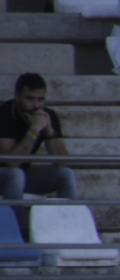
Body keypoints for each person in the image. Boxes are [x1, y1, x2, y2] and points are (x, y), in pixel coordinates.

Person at [0, 73, 79, 236]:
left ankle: (71, 233)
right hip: (6, 173)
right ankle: (15, 236)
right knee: (15, 175)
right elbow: (11, 162)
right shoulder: (4, 114)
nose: (36, 105)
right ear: (17, 96)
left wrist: (49, 131)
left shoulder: (47, 116)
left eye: (40, 99)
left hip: (21, 175)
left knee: (66, 175)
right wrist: (34, 130)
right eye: (30, 99)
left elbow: (61, 163)